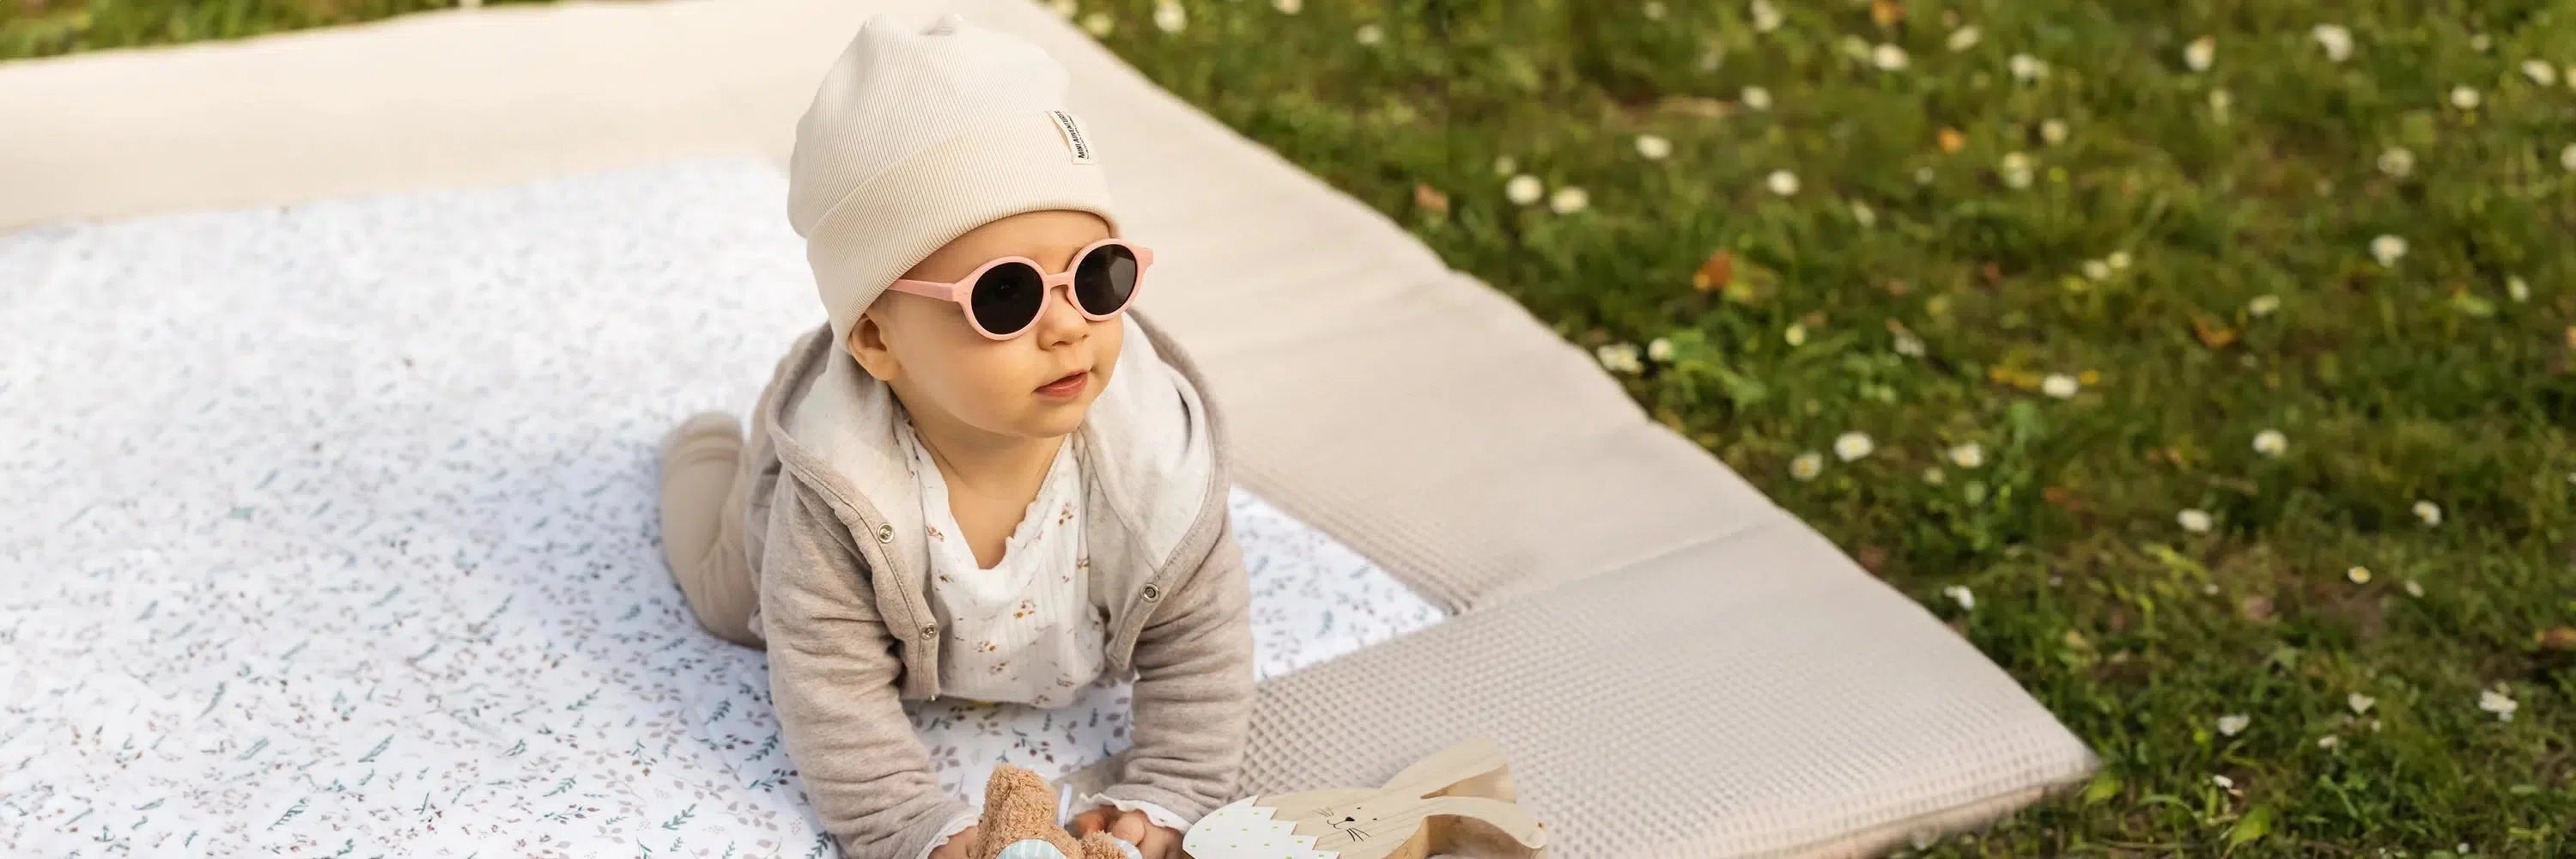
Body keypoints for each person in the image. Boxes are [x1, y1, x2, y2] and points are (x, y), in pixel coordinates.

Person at [653, 12, 1252, 859]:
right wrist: (907, 825)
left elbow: (1202, 641)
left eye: (1095, 276)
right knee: (726, 602)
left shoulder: (1157, 467)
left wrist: (1174, 787)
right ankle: (704, 448)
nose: (1067, 327)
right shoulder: (838, 500)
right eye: (1005, 297)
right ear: (876, 340)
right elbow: (833, 690)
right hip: (779, 534)